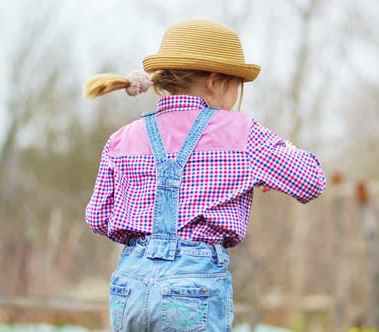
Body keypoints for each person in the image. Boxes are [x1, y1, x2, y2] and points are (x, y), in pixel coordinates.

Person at [84, 19, 326, 332]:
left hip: (128, 286)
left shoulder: (122, 139)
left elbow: (99, 217)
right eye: (237, 84)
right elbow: (312, 180)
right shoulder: (242, 135)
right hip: (193, 288)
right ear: (214, 81)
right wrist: (284, 154)